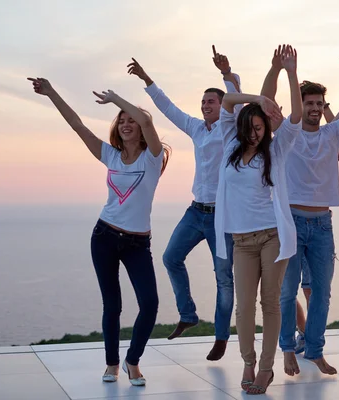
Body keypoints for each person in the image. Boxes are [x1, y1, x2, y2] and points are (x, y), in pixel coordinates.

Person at [27, 77, 170, 386]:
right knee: (112, 305)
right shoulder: (111, 155)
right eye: (122, 120)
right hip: (104, 236)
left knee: (150, 303)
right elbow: (78, 126)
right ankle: (112, 365)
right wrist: (52, 92)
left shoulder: (153, 157)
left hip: (137, 243)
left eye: (131, 120)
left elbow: (146, 118)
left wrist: (117, 99)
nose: (127, 123)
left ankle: (133, 361)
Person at [127, 46, 240, 361]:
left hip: (221, 217)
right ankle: (188, 314)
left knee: (223, 278)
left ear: (223, 106)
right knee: (170, 257)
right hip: (196, 212)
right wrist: (146, 79)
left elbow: (235, 96)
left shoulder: (230, 127)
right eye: (203, 101)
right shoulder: (195, 128)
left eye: (212, 101)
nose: (206, 105)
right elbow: (167, 107)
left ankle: (220, 336)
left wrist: (226, 73)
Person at [261, 52, 339, 376]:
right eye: (310, 103)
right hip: (290, 221)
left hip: (322, 223)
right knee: (287, 290)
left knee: (321, 292)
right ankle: (288, 350)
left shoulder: (333, 133)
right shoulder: (288, 132)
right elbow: (266, 101)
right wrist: (278, 69)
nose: (315, 109)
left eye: (319, 104)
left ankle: (316, 350)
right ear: (301, 104)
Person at [215, 45, 302, 395]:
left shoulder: (277, 150)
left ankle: (266, 370)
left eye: (260, 127)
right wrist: (260, 99)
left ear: (266, 129)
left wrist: (290, 72)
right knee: (244, 306)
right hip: (241, 240)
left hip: (272, 236)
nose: (254, 132)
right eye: (249, 126)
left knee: (271, 302)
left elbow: (295, 116)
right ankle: (248, 360)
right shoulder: (227, 144)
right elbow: (226, 103)